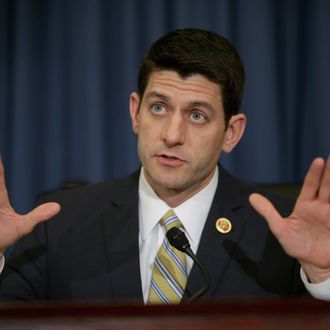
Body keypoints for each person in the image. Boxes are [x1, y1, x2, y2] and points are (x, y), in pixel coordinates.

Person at [0, 28, 329, 303]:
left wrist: (323, 277)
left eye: (197, 115)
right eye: (158, 108)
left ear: (232, 132)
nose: (172, 135)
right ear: (135, 112)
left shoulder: (284, 237)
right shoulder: (59, 223)